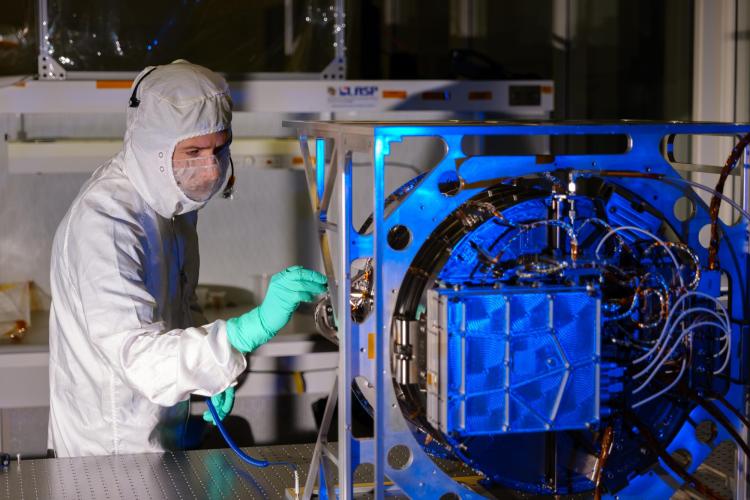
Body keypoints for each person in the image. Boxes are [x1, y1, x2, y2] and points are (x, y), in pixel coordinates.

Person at [47, 60, 327, 457]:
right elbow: (142, 360)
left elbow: (178, 305)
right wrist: (249, 330)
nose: (210, 167)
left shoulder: (170, 202)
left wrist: (212, 378)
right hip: (109, 454)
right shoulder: (106, 222)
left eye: (220, 147)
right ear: (154, 149)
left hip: (159, 429)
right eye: (194, 151)